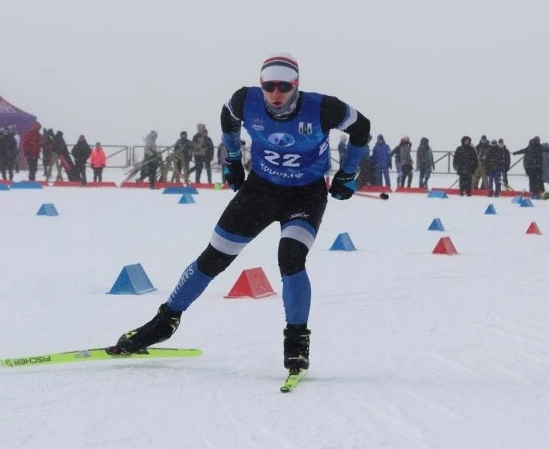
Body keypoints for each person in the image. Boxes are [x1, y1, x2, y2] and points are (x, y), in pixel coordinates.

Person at [106, 52, 371, 373]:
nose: (275, 94)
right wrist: (232, 158)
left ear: (296, 85)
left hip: (305, 195)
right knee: (213, 259)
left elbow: (362, 128)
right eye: (269, 86)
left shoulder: (325, 108)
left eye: (283, 87)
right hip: (260, 191)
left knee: (291, 258)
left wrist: (348, 173)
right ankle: (164, 322)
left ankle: (297, 343)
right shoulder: (245, 100)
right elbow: (228, 117)